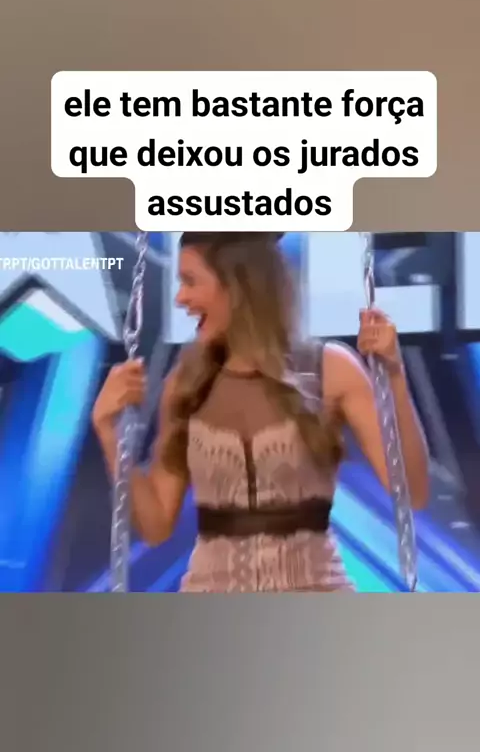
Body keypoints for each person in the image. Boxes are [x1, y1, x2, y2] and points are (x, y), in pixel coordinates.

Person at [92, 232, 429, 592]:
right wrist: (110, 433)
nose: (180, 298)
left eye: (190, 281)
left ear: (239, 285)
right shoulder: (185, 385)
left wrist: (393, 375)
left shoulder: (331, 370)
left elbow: (412, 492)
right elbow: (156, 525)